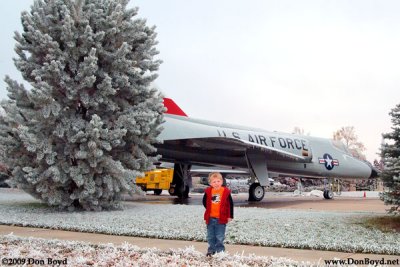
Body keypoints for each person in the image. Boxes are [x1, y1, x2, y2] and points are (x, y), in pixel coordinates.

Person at [202, 172, 234, 256]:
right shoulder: (208, 191)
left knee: (220, 236)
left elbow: (230, 204)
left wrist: (230, 216)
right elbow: (204, 201)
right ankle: (211, 250)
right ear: (210, 183)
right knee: (210, 236)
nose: (216, 183)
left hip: (221, 219)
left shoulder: (225, 191)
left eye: (218, 181)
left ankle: (220, 251)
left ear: (222, 181)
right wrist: (209, 209)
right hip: (210, 218)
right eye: (214, 182)